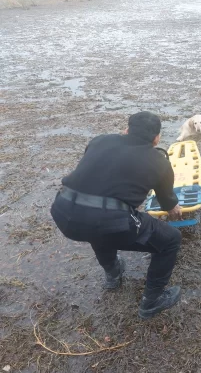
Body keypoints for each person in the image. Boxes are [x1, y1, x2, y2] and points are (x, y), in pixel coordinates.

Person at [51, 111, 183, 320]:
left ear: (127, 129)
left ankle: (113, 274)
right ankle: (152, 301)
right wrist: (174, 209)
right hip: (106, 221)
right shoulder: (159, 161)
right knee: (171, 240)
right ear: (157, 138)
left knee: (99, 223)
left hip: (62, 210)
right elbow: (167, 202)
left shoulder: (100, 141)